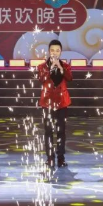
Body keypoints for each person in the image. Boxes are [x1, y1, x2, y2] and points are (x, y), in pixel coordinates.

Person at [37, 39, 73, 168]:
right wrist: (50, 69)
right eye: (52, 50)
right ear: (49, 51)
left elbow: (70, 78)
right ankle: (50, 158)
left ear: (61, 52)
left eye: (57, 50)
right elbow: (41, 79)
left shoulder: (65, 65)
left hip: (62, 102)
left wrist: (60, 68)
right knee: (48, 131)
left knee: (61, 131)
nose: (55, 53)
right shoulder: (42, 66)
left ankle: (61, 158)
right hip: (47, 102)